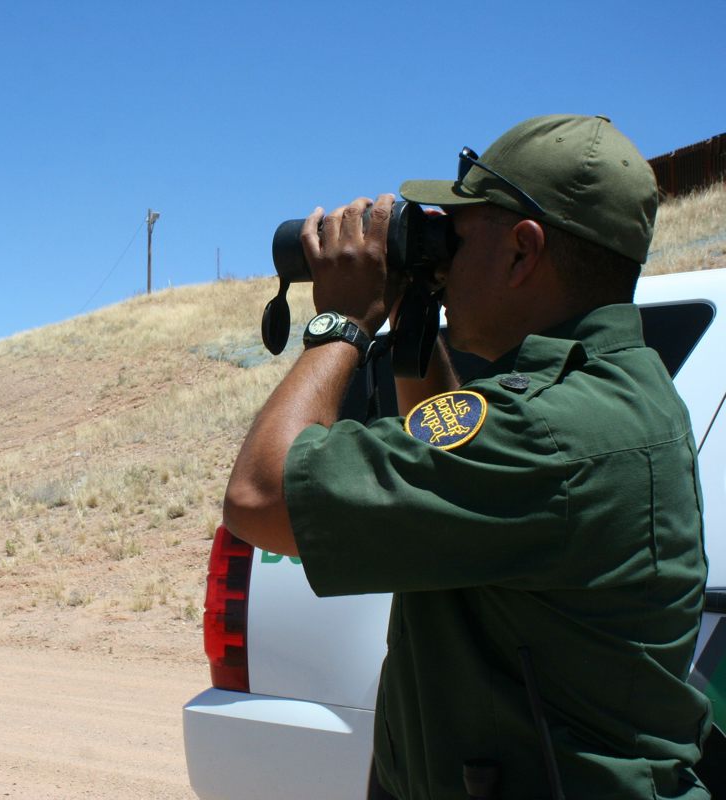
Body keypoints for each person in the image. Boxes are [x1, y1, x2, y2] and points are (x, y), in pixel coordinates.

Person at [223, 114, 712, 799]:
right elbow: (446, 437)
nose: (440, 254)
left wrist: (343, 324)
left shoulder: (551, 433)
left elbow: (258, 496)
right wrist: (416, 319)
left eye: (455, 233)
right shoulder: (615, 394)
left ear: (522, 251)